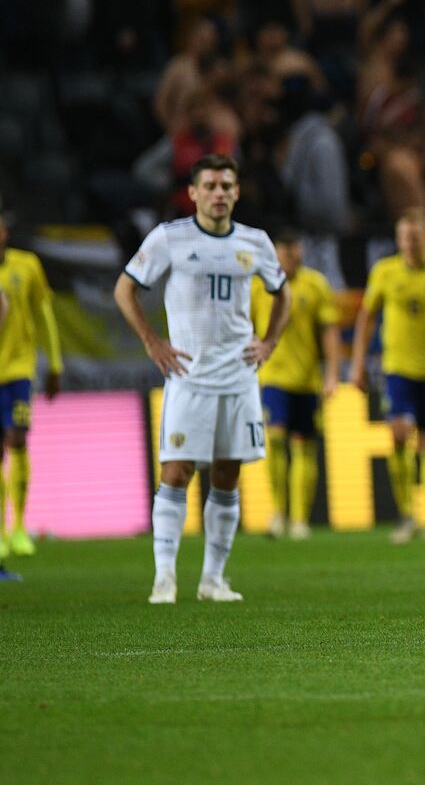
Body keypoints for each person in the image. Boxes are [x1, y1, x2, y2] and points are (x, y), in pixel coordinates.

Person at [114, 154, 291, 603]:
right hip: (189, 376)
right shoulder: (170, 238)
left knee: (228, 475)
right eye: (210, 186)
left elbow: (283, 293)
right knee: (176, 471)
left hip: (239, 376)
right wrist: (153, 342)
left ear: (236, 192)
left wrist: (268, 341)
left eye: (226, 186)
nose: (219, 194)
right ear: (192, 193)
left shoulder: (255, 242)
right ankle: (164, 578)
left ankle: (213, 579)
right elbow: (125, 288)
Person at [348, 208, 425, 545]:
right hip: (397, 369)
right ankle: (408, 516)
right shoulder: (385, 272)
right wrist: (357, 364)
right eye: (403, 239)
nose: (408, 245)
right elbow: (366, 320)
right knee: (398, 435)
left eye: (414, 238)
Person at [251, 228, 340, 540]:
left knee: (304, 445)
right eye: (285, 249)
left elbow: (328, 331)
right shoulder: (259, 284)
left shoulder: (316, 284)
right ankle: (278, 513)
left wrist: (332, 374)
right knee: (274, 440)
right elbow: (243, 327)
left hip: (307, 379)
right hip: (272, 376)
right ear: (274, 252)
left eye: (295, 248)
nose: (291, 254)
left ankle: (300, 520)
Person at [0, 214, 64, 557]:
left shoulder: (26, 266)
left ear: (5, 232)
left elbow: (44, 313)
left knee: (19, 440)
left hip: (18, 371)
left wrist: (55, 363)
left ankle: (20, 527)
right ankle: (0, 532)